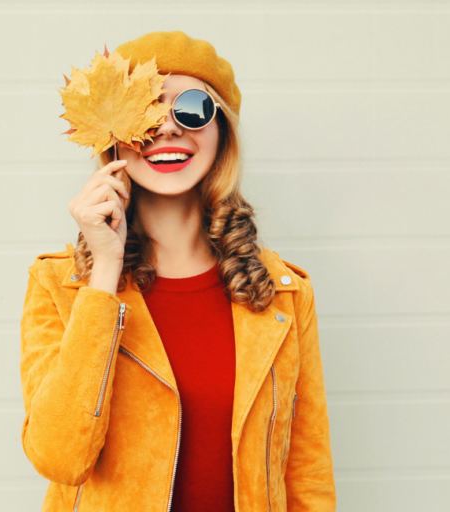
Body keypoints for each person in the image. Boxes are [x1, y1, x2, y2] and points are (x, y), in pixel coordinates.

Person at [20, 31, 336, 512]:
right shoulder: (60, 286)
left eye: (192, 108)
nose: (167, 128)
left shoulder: (283, 293)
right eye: (145, 108)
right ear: (112, 135)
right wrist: (105, 271)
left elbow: (306, 475)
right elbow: (60, 458)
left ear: (221, 131)